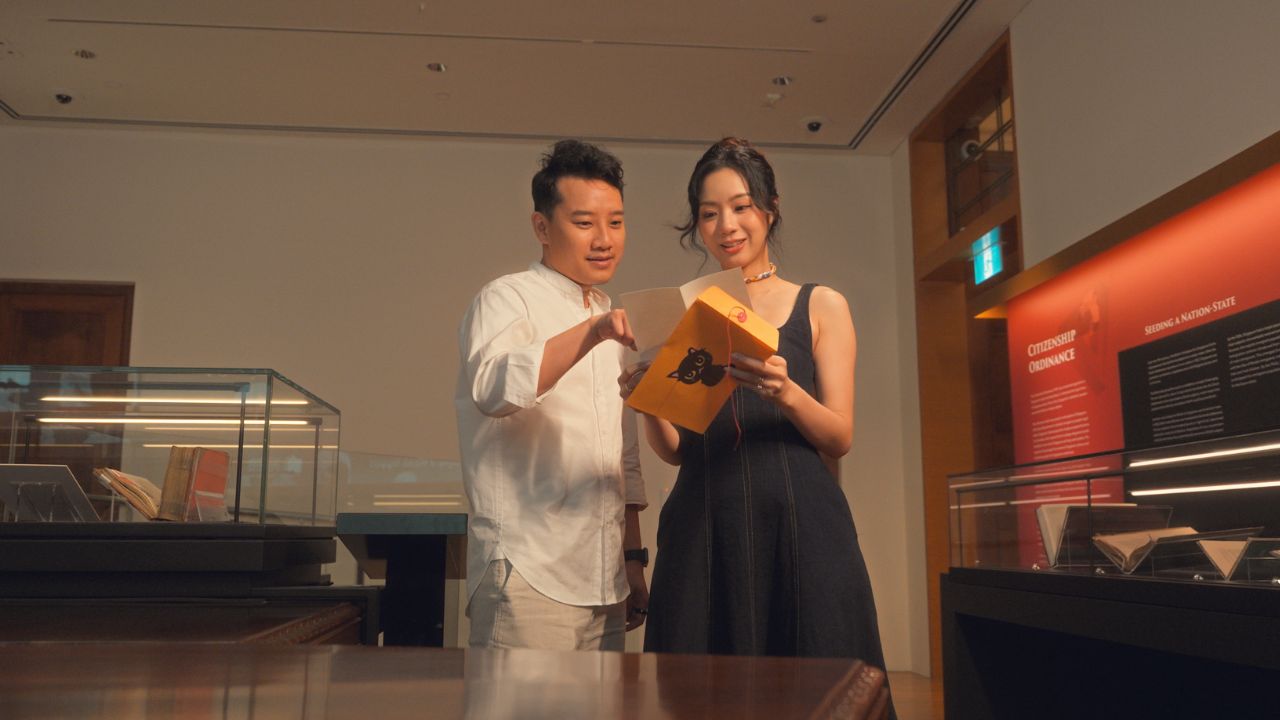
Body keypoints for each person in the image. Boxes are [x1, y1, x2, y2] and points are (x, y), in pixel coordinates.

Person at [625, 137, 893, 716]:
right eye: (709, 213)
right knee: (697, 690)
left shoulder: (820, 304)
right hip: (703, 520)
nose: (726, 225)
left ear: (770, 208)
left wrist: (787, 391)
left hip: (798, 521)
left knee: (815, 681)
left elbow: (839, 435)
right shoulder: (691, 314)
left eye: (741, 206)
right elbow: (676, 451)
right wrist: (647, 403)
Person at [455, 139, 648, 651]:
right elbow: (492, 389)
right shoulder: (507, 297)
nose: (604, 239)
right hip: (529, 569)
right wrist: (593, 332)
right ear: (542, 227)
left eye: (616, 222)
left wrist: (634, 560)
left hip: (606, 578)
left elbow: (621, 456)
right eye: (584, 223)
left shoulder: (607, 314)